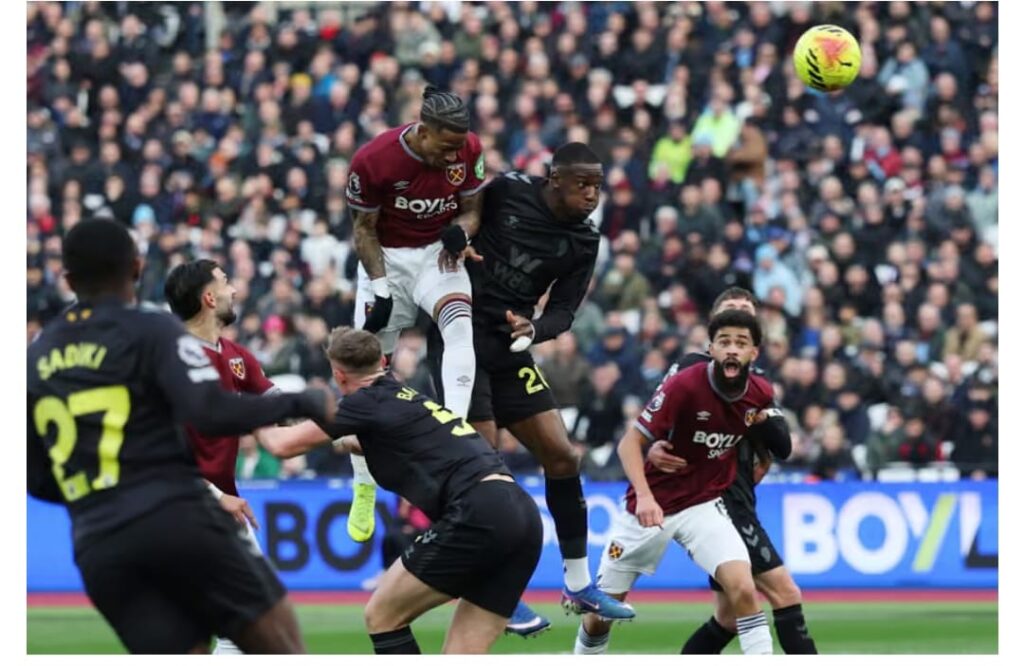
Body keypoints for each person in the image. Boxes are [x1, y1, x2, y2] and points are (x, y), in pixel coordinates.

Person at [26, 219, 336, 654]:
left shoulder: (36, 355)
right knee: (280, 643)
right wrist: (302, 402)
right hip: (174, 516)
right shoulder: (152, 331)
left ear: (67, 279)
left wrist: (99, 495)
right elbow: (208, 410)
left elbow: (34, 474)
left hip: (99, 543)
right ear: (136, 269)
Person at [429, 142, 636, 635]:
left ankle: (579, 582)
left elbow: (564, 311)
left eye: (597, 186)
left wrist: (534, 330)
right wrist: (460, 235)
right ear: (554, 178)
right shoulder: (508, 190)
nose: (591, 195)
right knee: (486, 471)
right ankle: (496, 592)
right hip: (460, 335)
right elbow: (470, 206)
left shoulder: (585, 241)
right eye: (582, 184)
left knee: (564, 457)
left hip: (509, 345)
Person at [255, 327, 542, 654]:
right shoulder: (403, 395)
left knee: (382, 615)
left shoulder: (365, 401)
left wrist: (249, 407)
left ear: (338, 375)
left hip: (479, 511)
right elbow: (367, 441)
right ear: (382, 361)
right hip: (523, 512)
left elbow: (280, 446)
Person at [574, 309, 789, 655]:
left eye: (741, 343)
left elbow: (760, 434)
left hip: (704, 505)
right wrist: (645, 497)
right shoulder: (684, 384)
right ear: (711, 348)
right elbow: (630, 443)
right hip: (651, 505)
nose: (732, 349)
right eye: (724, 342)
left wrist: (761, 462)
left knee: (744, 591)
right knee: (600, 615)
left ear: (754, 353)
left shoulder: (761, 392)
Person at [344, 85, 485, 544]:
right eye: (445, 146)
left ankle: (456, 430)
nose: (453, 156)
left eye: (458, 148)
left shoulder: (469, 149)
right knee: (365, 374)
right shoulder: (374, 159)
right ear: (423, 131)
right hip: (385, 259)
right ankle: (363, 484)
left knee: (460, 326)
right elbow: (362, 230)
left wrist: (459, 236)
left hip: (434, 259)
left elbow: (471, 209)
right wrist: (381, 289)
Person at [645, 287, 818, 654]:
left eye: (747, 312)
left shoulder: (757, 381)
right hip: (718, 498)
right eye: (731, 311)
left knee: (726, 616)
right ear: (713, 329)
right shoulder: (692, 367)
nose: (740, 315)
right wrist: (653, 447)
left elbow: (782, 444)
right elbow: (653, 423)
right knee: (785, 592)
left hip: (741, 492)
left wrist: (759, 429)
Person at [164, 258, 279, 655]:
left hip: (221, 508)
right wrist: (216, 496)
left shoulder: (235, 356)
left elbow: (281, 409)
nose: (235, 289)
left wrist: (348, 424)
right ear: (209, 298)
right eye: (226, 282)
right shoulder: (167, 361)